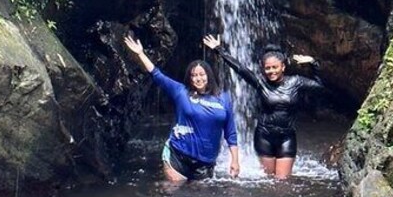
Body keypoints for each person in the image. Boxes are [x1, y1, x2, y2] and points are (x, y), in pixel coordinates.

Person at [202, 34, 322, 179]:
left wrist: (313, 63)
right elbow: (240, 68)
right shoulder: (260, 83)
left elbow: (319, 87)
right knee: (269, 182)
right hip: (264, 137)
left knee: (282, 182)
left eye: (275, 67)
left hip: (287, 137)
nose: (271, 71)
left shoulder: (296, 82)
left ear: (283, 67)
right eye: (268, 68)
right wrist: (219, 50)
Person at [123, 35, 240, 182]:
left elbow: (231, 133)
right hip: (177, 155)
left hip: (205, 163)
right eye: (194, 75)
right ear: (190, 78)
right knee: (173, 194)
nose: (198, 79)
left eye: (202, 75)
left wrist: (235, 160)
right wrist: (140, 53)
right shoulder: (181, 92)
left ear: (209, 76)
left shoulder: (223, 99)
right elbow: (157, 75)